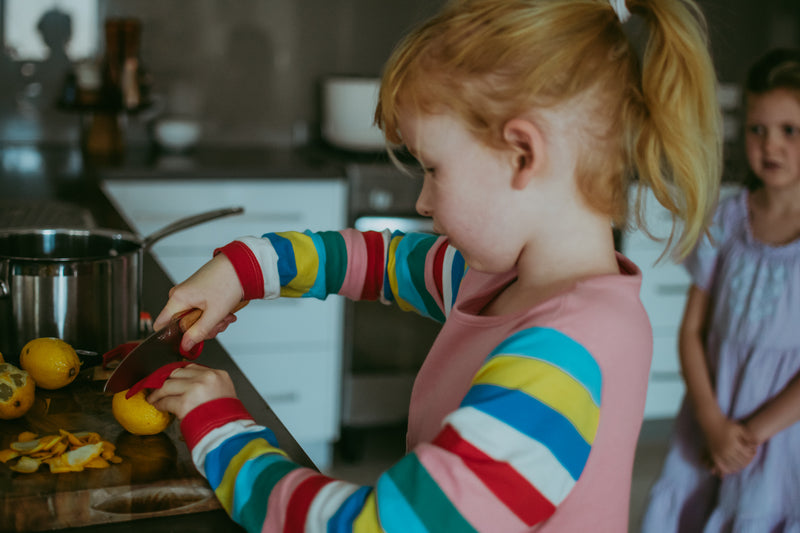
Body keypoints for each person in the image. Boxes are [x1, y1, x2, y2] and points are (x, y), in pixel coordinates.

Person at [146, 0, 722, 530]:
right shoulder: (506, 279)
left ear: (522, 155)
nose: (422, 202)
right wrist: (242, 271)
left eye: (434, 169)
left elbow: (382, 527)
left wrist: (221, 432)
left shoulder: (568, 350)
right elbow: (373, 258)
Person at [641, 48, 800, 532]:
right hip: (711, 416)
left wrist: (749, 436)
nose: (770, 145)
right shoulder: (728, 220)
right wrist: (712, 422)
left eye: (790, 131)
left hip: (781, 431)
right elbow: (691, 331)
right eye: (757, 129)